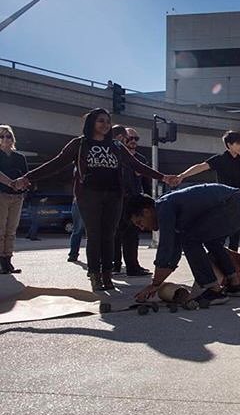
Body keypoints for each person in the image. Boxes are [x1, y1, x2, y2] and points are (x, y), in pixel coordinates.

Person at [13, 108, 178, 291]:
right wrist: (28, 177)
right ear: (91, 123)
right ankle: (94, 275)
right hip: (89, 195)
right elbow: (56, 163)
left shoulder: (116, 146)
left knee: (109, 236)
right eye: (101, 121)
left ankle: (107, 275)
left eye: (108, 121)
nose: (105, 125)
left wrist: (163, 177)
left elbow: (136, 165)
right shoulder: (80, 144)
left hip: (114, 196)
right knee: (94, 235)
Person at [126, 184, 240, 305]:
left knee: (190, 240)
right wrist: (157, 283)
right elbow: (173, 253)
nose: (142, 228)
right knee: (211, 241)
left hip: (236, 205)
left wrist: (155, 284)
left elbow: (166, 247)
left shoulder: (164, 207)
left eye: (139, 222)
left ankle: (214, 290)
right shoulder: (168, 208)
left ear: (146, 212)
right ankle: (235, 285)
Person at [111, 126, 151, 276]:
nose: (133, 141)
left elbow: (146, 181)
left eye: (136, 139)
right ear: (122, 138)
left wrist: (148, 200)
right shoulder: (116, 157)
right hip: (117, 202)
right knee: (114, 235)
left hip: (134, 203)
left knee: (132, 235)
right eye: (130, 138)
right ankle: (114, 266)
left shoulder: (141, 159)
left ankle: (133, 267)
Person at [0, 124, 28, 274]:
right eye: (2, 136)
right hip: (1, 195)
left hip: (17, 197)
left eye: (8, 136)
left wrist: (21, 186)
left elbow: (26, 176)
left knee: (11, 229)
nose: (5, 139)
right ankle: (1, 262)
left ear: (12, 138)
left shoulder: (20, 157)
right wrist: (11, 183)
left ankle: (8, 260)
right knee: (0, 229)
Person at [67, 198, 86, 263]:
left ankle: (73, 254)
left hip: (79, 200)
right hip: (87, 200)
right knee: (94, 231)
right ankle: (97, 258)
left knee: (77, 230)